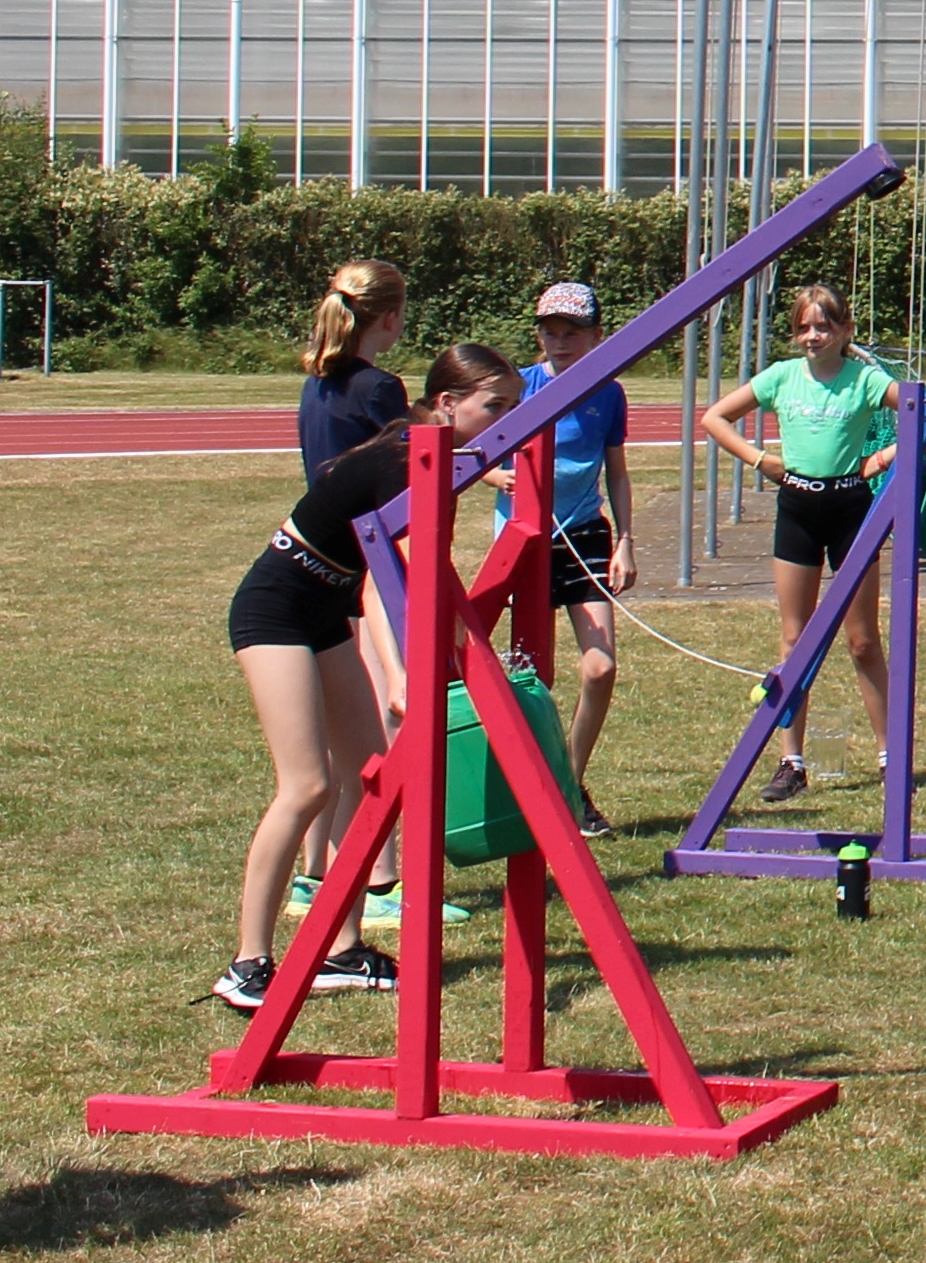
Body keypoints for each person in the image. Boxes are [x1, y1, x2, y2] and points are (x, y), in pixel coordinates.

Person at [215, 341, 523, 1013]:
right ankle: (246, 964)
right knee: (307, 785)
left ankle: (342, 947)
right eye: (494, 407)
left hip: (328, 608)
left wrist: (400, 670)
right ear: (447, 404)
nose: (505, 424)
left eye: (513, 409)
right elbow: (413, 577)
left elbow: (381, 582)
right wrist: (421, 664)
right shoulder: (407, 461)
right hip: (274, 610)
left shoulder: (430, 456)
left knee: (367, 776)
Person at [698, 284, 900, 808]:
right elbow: (715, 418)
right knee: (795, 640)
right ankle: (792, 762)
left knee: (863, 641)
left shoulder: (865, 379)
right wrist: (759, 459)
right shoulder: (781, 377)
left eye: (824, 327)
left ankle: (891, 756)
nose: (813, 336)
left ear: (845, 331)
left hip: (851, 510)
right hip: (798, 511)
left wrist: (883, 458)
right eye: (804, 327)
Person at [524, 280, 636, 789]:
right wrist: (499, 477)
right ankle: (529, 790)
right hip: (526, 538)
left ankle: (569, 784)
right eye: (550, 332)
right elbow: (473, 451)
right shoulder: (519, 386)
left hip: (585, 533)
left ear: (597, 335)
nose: (560, 342)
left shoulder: (609, 394)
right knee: (531, 678)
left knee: (600, 668)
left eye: (572, 332)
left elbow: (617, 472)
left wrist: (625, 541)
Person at [297, 260, 410, 480]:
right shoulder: (379, 387)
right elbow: (412, 468)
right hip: (365, 504)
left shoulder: (314, 384)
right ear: (390, 318)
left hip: (321, 503)